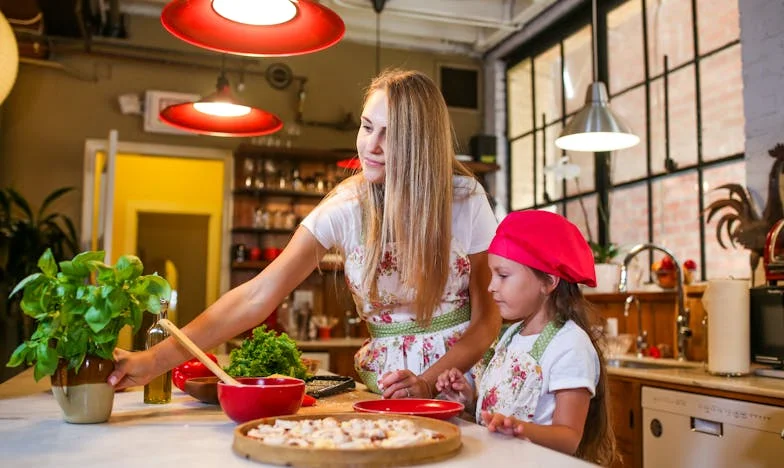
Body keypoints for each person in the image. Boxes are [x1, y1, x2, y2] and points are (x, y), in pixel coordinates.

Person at [108, 69, 501, 400]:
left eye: (391, 134)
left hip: (459, 381)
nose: (372, 146)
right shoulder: (347, 205)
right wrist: (153, 360)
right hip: (386, 384)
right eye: (367, 127)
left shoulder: (465, 199)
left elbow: (487, 320)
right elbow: (256, 295)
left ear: (420, 142)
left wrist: (429, 381)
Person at [435, 210, 617, 465]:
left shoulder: (570, 345)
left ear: (549, 281)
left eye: (503, 275)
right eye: (491, 275)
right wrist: (469, 399)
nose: (491, 286)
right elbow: (507, 406)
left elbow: (569, 437)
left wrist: (520, 430)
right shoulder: (511, 335)